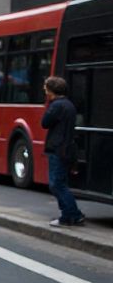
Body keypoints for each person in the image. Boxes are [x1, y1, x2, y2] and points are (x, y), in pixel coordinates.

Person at [41, 76, 84, 227]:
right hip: (67, 148)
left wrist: (49, 105)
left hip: (57, 148)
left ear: (52, 90)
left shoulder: (56, 105)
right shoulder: (69, 105)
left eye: (46, 88)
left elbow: (44, 123)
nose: (44, 91)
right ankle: (69, 213)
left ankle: (71, 215)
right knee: (61, 182)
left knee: (56, 184)